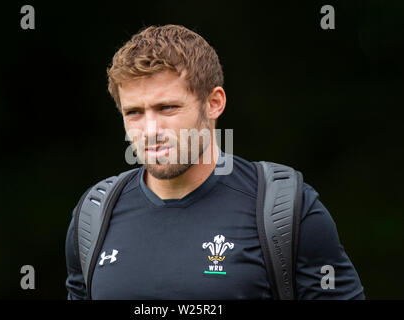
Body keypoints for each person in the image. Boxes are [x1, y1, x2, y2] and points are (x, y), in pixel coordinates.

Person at [65, 24, 365, 299]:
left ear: (214, 103)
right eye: (134, 113)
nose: (151, 130)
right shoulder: (94, 215)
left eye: (167, 107)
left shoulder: (285, 209)